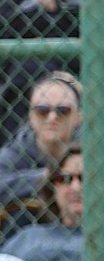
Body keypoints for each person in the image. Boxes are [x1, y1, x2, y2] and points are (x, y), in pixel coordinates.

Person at [0, 0, 104, 178]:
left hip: (86, 106)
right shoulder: (14, 7)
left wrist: (69, 87)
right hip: (28, 110)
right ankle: (50, 175)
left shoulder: (103, 7)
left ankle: (64, 174)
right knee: (28, 68)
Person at [0, 72, 81, 243]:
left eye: (63, 110)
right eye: (42, 111)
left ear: (78, 117)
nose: (52, 117)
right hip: (22, 239)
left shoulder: (89, 148)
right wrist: (48, 177)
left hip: (81, 233)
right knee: (22, 209)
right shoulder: (15, 152)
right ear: (31, 116)